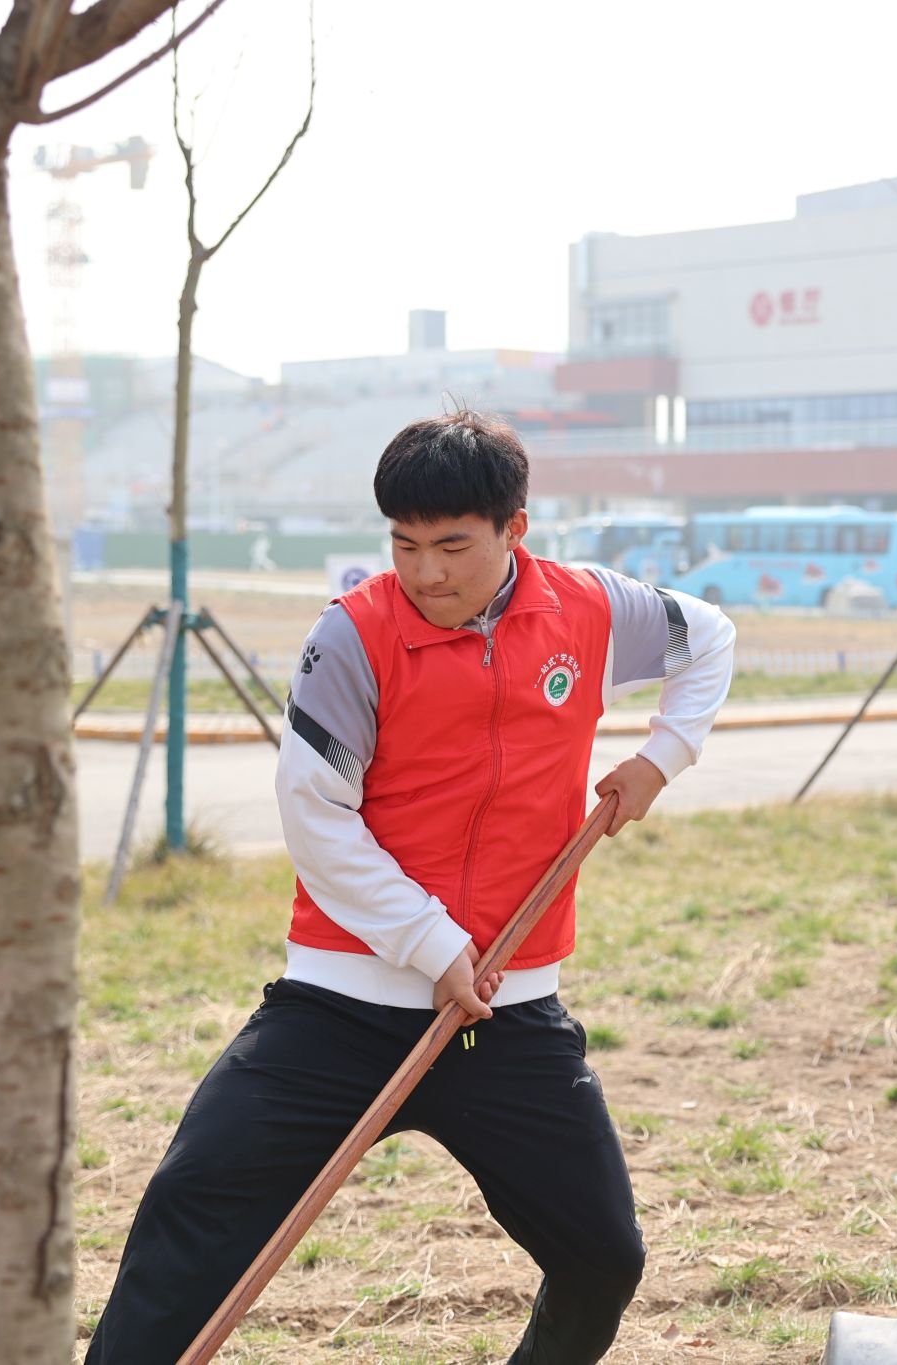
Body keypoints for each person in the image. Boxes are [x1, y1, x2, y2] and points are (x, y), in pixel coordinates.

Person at [86, 410, 736, 1364]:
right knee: (190, 1218)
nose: (426, 572)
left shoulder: (589, 610)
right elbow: (316, 814)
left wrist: (661, 757)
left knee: (602, 1257)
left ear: (516, 529)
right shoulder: (352, 635)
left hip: (508, 1012)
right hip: (339, 1006)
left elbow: (709, 636)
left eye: (452, 546)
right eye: (404, 544)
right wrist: (431, 943)